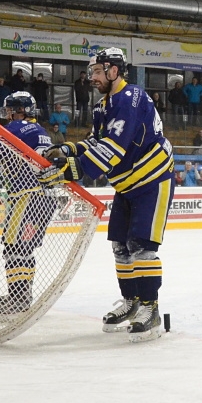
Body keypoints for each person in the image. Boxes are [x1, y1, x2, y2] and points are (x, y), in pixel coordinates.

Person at [43, 47, 175, 343]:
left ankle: (150, 308)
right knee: (120, 246)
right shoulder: (105, 105)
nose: (93, 77)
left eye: (98, 71)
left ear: (115, 70)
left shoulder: (130, 98)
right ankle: (132, 302)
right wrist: (69, 149)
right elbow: (96, 141)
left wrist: (72, 171)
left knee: (142, 246)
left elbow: (113, 148)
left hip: (152, 181)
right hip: (127, 185)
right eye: (92, 72)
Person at [0, 91, 57, 318]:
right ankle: (22, 296)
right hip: (44, 198)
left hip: (26, 196)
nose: (7, 113)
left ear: (21, 110)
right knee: (23, 249)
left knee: (14, 247)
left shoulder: (18, 127)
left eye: (10, 109)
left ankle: (18, 299)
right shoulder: (41, 130)